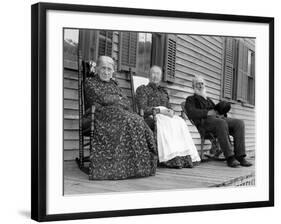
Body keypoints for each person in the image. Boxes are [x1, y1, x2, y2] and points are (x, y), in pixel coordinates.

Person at [83, 56, 157, 180]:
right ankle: (118, 168)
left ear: (113, 71)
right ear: (96, 69)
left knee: (138, 120)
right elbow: (101, 98)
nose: (106, 72)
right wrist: (117, 99)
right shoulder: (90, 82)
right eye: (103, 68)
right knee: (127, 119)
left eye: (109, 69)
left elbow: (126, 103)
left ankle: (136, 166)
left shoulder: (115, 85)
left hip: (119, 113)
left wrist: (114, 99)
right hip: (100, 115)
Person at [136, 66, 201, 168]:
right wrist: (160, 110)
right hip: (152, 116)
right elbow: (143, 108)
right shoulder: (142, 89)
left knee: (180, 122)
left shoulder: (163, 92)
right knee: (166, 124)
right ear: (149, 75)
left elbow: (169, 107)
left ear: (161, 77)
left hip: (165, 116)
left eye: (158, 74)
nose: (155, 76)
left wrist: (171, 112)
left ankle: (181, 157)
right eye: (153, 73)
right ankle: (170, 158)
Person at [185, 75, 253, 168]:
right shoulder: (190, 99)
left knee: (239, 123)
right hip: (205, 123)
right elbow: (191, 112)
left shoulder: (208, 99)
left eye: (202, 83)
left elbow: (216, 110)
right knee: (221, 123)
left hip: (218, 120)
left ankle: (240, 156)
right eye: (197, 84)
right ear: (193, 86)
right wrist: (208, 113)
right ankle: (230, 157)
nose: (200, 86)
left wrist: (221, 113)